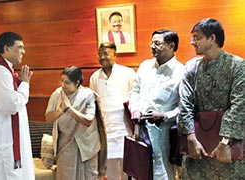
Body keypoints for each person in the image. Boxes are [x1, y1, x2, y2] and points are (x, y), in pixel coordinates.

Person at [178, 18, 245, 179]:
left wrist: (225, 142)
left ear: (212, 38)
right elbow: (184, 104)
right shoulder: (191, 67)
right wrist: (190, 137)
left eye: (197, 37)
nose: (192, 42)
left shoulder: (237, 65)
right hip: (197, 140)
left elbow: (239, 104)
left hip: (228, 142)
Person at [129, 29, 184, 179]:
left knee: (162, 173)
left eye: (157, 43)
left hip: (164, 133)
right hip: (141, 130)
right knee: (138, 172)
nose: (152, 46)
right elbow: (135, 92)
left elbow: (185, 107)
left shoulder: (181, 72)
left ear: (171, 46)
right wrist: (135, 110)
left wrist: (165, 115)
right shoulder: (145, 66)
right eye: (151, 42)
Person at [0, 32, 35, 180]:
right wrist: (25, 84)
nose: (23, 51)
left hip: (7, 141)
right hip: (3, 144)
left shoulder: (6, 70)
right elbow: (12, 105)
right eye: (20, 47)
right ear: (7, 49)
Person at [45, 66, 107, 180]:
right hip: (66, 145)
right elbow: (48, 117)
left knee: (89, 176)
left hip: (87, 146)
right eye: (62, 80)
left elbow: (88, 120)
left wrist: (69, 108)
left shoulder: (88, 95)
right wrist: (60, 110)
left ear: (77, 83)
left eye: (67, 82)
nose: (63, 85)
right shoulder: (57, 94)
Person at [89, 42, 135, 180]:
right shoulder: (94, 77)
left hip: (124, 129)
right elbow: (93, 104)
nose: (102, 57)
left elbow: (135, 99)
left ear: (115, 55)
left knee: (127, 169)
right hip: (105, 130)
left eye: (106, 53)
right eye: (100, 54)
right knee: (110, 171)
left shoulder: (128, 73)